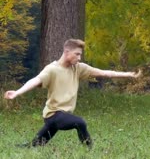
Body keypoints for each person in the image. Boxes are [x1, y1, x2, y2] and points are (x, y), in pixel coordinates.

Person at [3, 39, 141, 148]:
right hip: (54, 114)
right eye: (77, 54)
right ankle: (89, 149)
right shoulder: (52, 69)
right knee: (80, 123)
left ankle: (26, 147)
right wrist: (17, 93)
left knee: (38, 143)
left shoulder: (78, 68)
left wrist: (129, 74)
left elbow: (104, 73)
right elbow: (35, 80)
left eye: (80, 54)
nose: (79, 58)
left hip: (62, 115)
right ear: (66, 52)